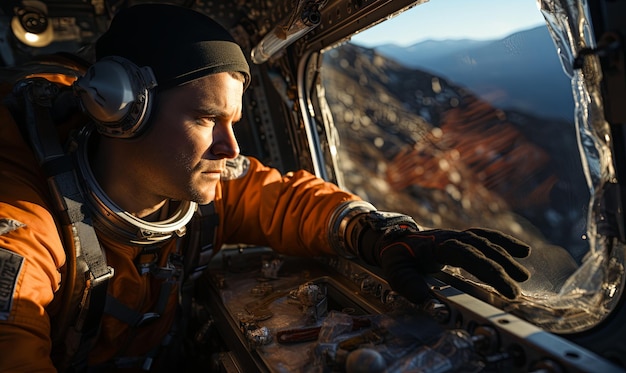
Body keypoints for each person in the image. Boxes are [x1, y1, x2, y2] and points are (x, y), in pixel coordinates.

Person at [0, 3, 531, 371]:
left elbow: (285, 198)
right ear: (120, 111)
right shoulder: (24, 226)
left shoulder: (194, 184)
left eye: (234, 123)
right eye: (208, 120)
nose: (232, 151)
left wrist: (380, 234)